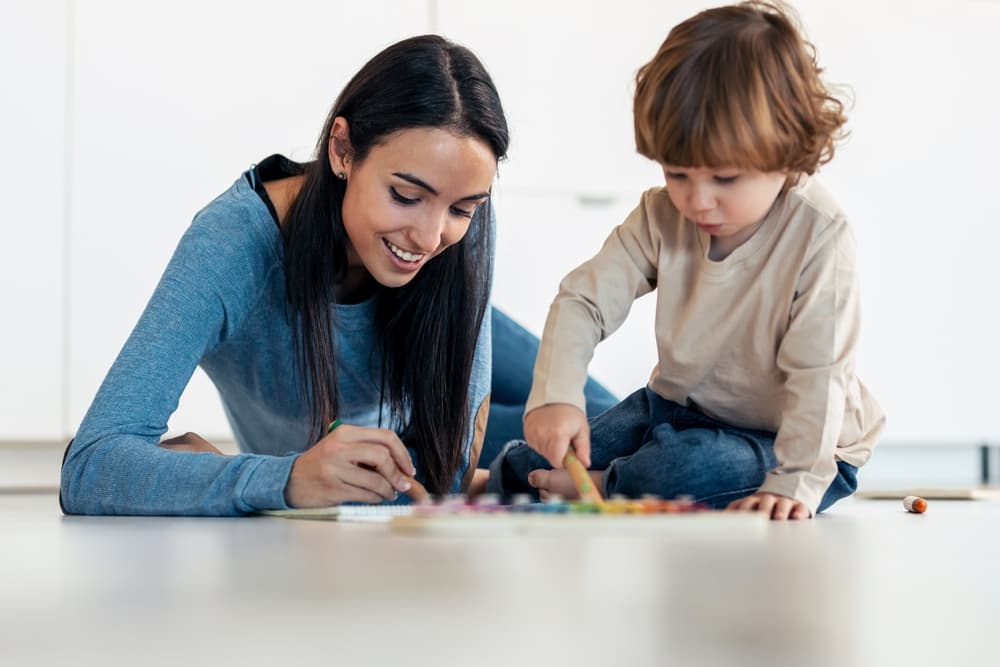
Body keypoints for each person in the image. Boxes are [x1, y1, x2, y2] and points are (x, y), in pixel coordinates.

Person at [61, 35, 513, 515]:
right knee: (541, 455)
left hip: (442, 332)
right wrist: (284, 477)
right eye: (405, 196)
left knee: (566, 435)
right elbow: (90, 465)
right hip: (387, 396)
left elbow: (445, 473)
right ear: (342, 149)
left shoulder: (456, 238)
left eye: (462, 209)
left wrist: (222, 475)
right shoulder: (232, 242)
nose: (429, 236)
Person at [488, 1, 885, 520]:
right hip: (676, 410)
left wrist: (796, 483)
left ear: (788, 153)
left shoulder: (819, 235)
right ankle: (521, 476)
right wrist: (556, 396)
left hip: (791, 444)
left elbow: (820, 377)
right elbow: (584, 300)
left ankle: (611, 484)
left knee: (684, 469)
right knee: (551, 451)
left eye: (724, 179)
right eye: (677, 174)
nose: (697, 201)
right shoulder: (661, 215)